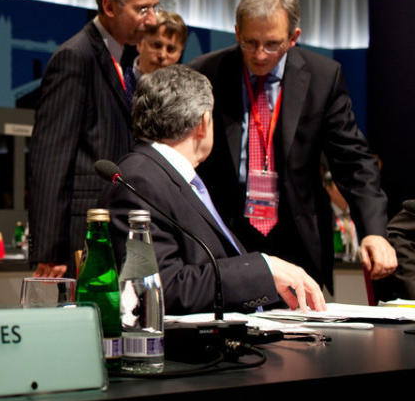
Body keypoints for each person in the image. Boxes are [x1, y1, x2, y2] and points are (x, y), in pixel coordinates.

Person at [189, 0, 395, 292]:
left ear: (293, 37)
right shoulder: (206, 73)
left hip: (297, 236)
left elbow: (353, 161)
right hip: (227, 234)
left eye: (272, 44)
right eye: (250, 43)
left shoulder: (323, 77)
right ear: (236, 32)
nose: (259, 55)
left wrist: (374, 231)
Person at [99, 65, 326, 314]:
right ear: (203, 122)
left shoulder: (170, 175)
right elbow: (161, 287)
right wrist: (263, 270)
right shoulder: (139, 181)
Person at [29, 0, 159, 278]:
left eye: (155, 7)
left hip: (116, 223)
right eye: (142, 9)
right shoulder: (76, 57)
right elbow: (50, 158)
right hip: (80, 233)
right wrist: (50, 249)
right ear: (109, 6)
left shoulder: (127, 60)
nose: (153, 19)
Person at [133, 9, 188, 76]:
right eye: (157, 45)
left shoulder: (183, 85)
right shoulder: (120, 84)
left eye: (170, 49)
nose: (162, 55)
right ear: (139, 44)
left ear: (180, 53)